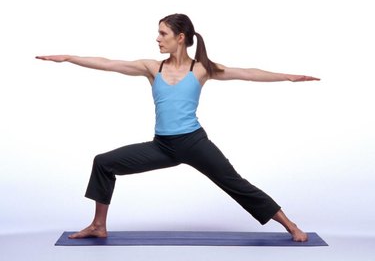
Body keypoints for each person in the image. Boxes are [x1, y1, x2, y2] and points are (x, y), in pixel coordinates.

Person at [36, 13, 319, 242]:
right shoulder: (152, 68)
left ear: (180, 38)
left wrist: (288, 77)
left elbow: (247, 73)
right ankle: (98, 225)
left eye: (163, 34)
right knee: (104, 163)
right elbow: (110, 64)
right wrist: (71, 57)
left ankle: (290, 224)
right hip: (162, 146)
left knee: (235, 184)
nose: (157, 39)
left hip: (195, 143)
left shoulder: (201, 68)